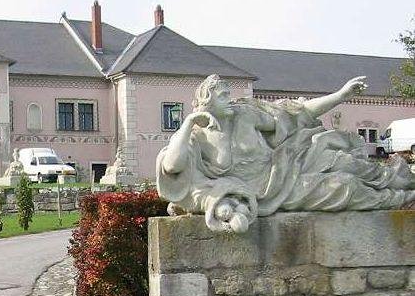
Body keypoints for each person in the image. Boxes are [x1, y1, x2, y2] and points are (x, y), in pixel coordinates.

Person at [157, 74, 415, 232]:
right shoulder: (196, 137)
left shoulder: (245, 114)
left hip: (286, 164)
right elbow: (172, 167)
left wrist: (340, 95)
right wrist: (189, 122)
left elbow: (297, 113)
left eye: (228, 93)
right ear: (206, 101)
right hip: (265, 192)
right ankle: (398, 198)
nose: (229, 99)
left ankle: (406, 184)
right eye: (223, 96)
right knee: (344, 186)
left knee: (344, 161)